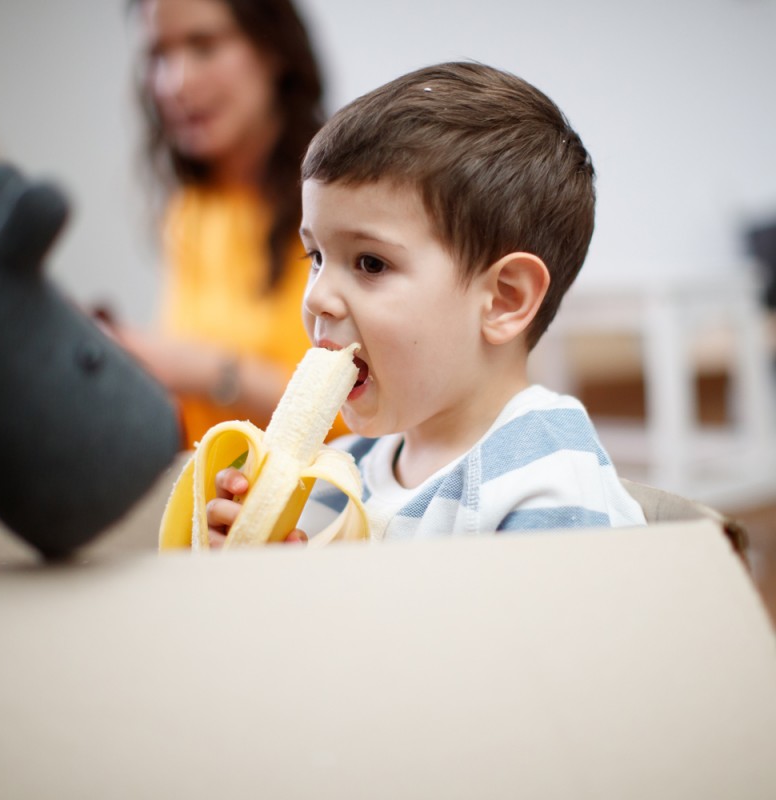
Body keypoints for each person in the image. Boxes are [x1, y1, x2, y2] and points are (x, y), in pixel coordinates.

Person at [206, 61, 646, 546]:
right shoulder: (341, 472)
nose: (317, 297)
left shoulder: (544, 478)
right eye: (316, 256)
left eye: (370, 263)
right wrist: (256, 559)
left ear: (504, 300)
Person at [118, 0, 346, 447]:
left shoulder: (341, 199)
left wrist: (206, 370)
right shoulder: (190, 209)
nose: (175, 83)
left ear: (274, 50)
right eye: (158, 56)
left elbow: (366, 415)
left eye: (203, 46)